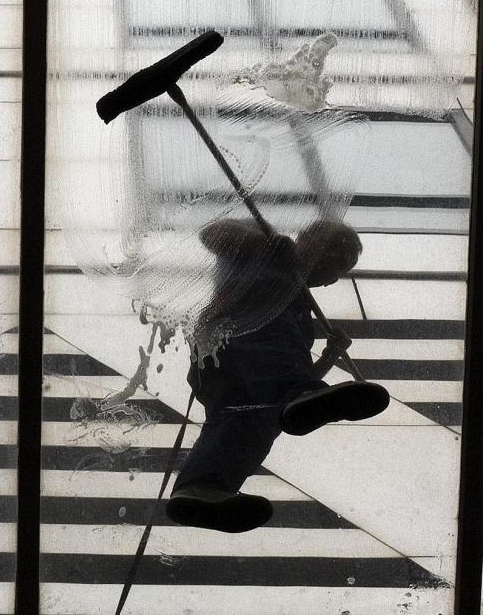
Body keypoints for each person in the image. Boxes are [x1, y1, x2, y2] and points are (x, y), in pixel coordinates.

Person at [164, 217, 390, 533]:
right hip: (231, 335)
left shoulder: (296, 303)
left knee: (252, 422)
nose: (333, 269)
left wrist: (328, 356)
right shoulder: (266, 248)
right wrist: (263, 244)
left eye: (342, 266)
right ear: (306, 238)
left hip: (228, 369)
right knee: (277, 381)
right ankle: (295, 398)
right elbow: (211, 233)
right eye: (334, 252)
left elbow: (290, 382)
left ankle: (202, 487)